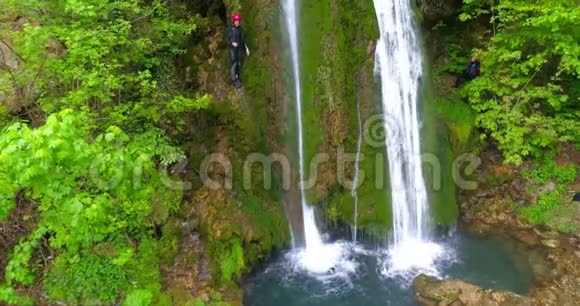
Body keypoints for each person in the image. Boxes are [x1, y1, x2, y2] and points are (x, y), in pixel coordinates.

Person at [227, 13, 250, 89]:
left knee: (238, 63)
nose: (237, 22)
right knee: (234, 63)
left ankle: (237, 78)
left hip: (239, 49)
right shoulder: (230, 29)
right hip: (232, 49)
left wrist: (246, 48)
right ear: (233, 21)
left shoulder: (240, 29)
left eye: (238, 21)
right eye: (236, 21)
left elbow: (243, 40)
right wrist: (232, 43)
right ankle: (234, 80)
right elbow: (227, 39)